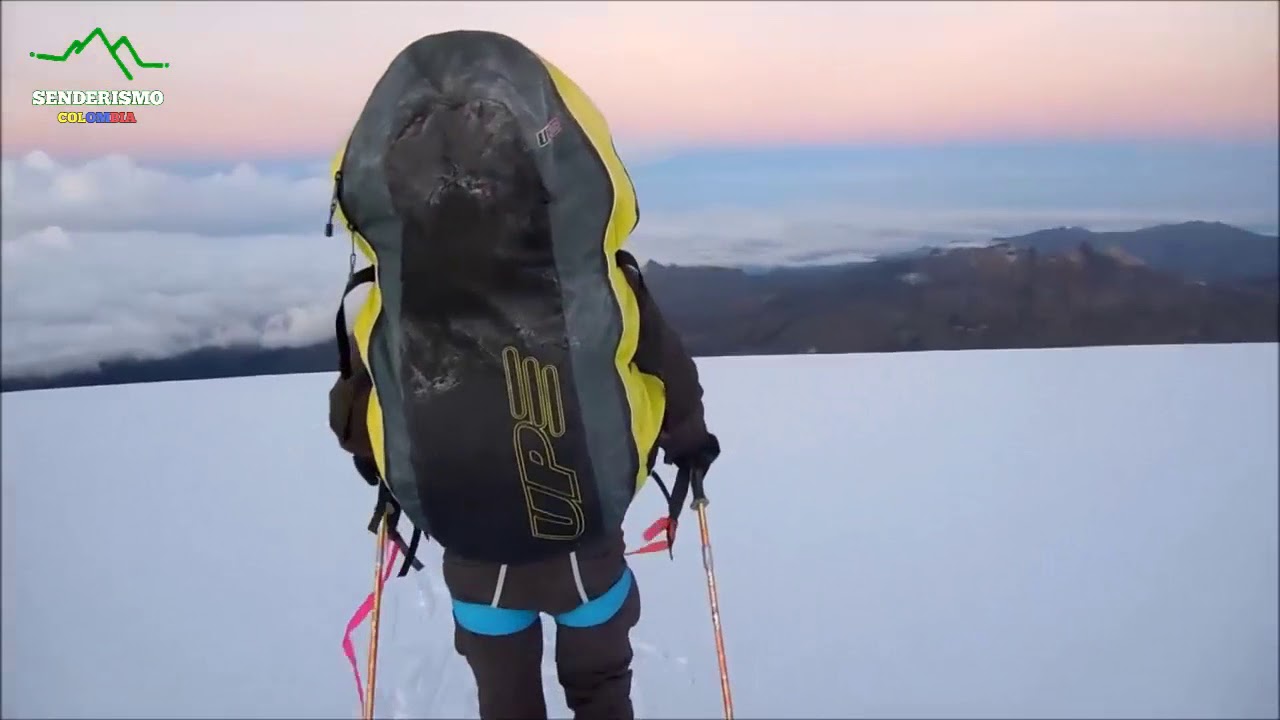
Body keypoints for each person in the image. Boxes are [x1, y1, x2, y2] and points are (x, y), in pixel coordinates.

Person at [324, 29, 721, 720]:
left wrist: (388, 476)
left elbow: (361, 412)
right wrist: (691, 447)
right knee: (599, 682)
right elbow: (668, 371)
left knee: (502, 697)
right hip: (584, 537)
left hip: (467, 539)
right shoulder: (594, 284)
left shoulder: (398, 302)